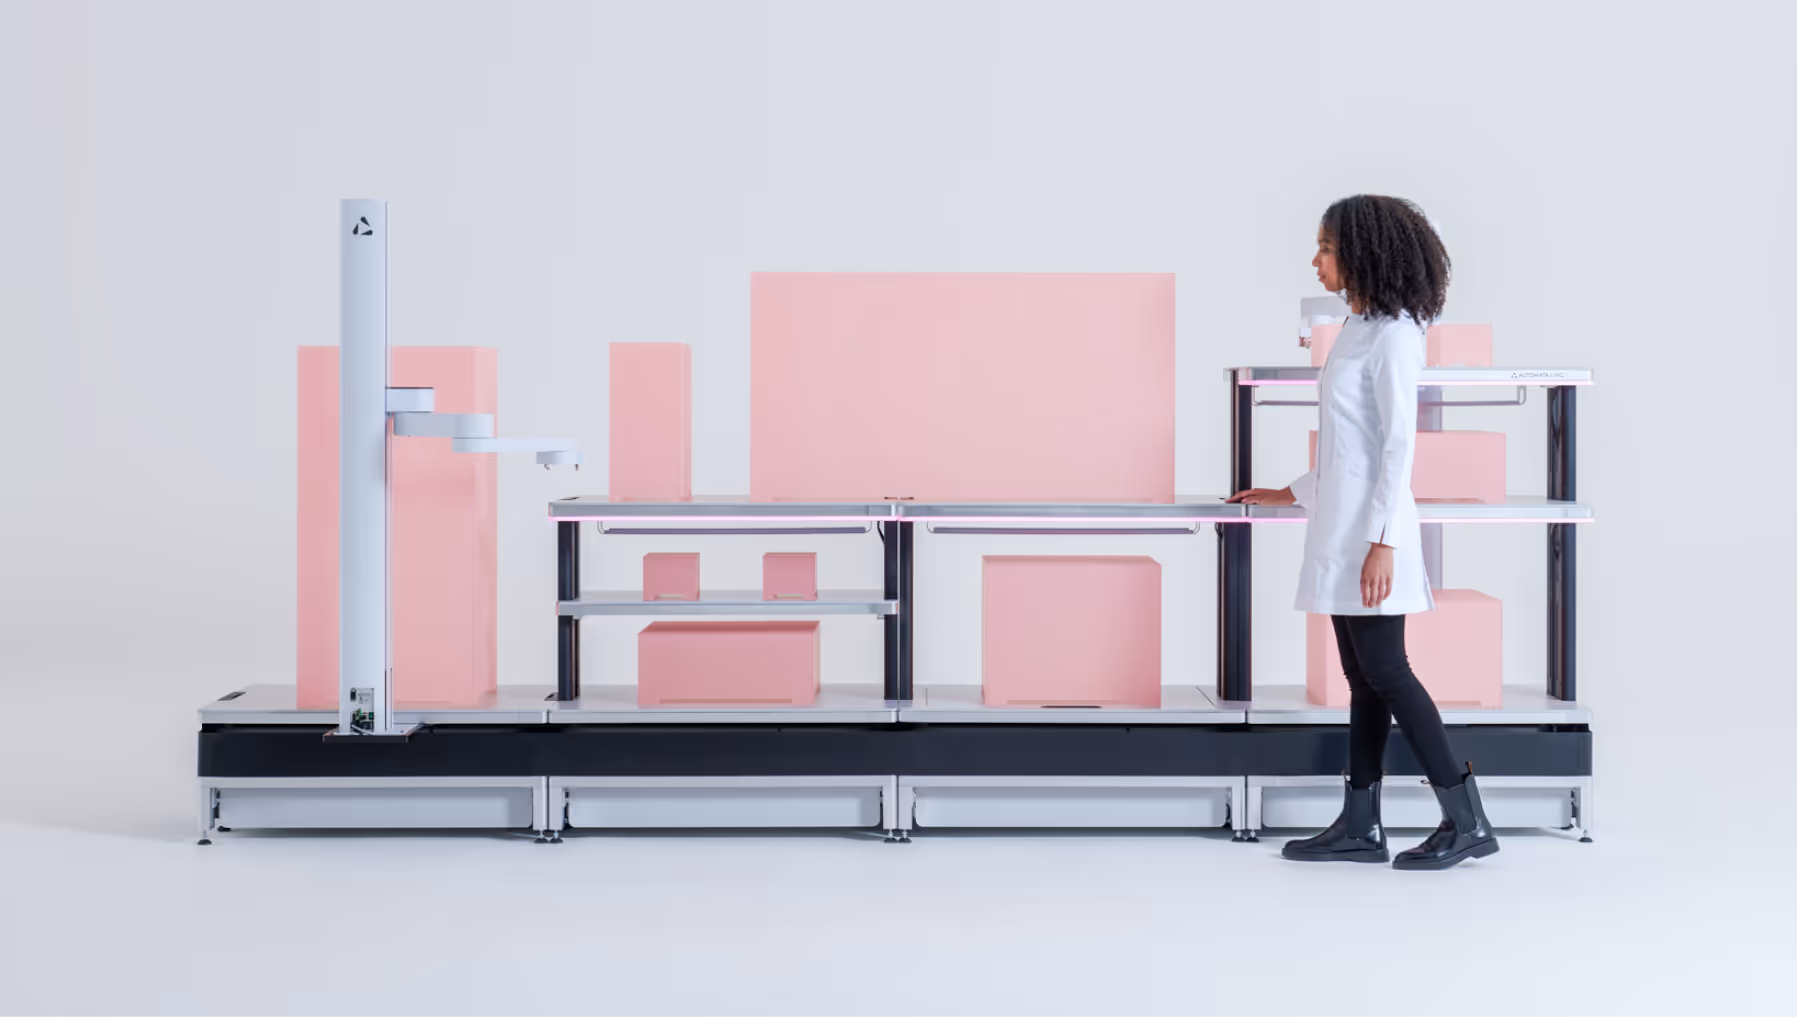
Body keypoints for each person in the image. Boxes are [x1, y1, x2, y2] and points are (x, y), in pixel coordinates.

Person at [1227, 195, 1498, 870]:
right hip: (1342, 523)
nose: (1315, 260)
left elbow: (1397, 444)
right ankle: (1360, 823)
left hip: (1372, 532)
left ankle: (1465, 818)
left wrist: (1383, 540)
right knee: (1362, 675)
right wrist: (1290, 490)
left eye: (1324, 247)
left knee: (1387, 670)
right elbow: (1350, 443)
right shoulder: (1357, 325)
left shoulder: (1396, 334)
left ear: (1361, 251)